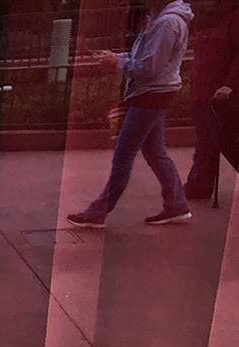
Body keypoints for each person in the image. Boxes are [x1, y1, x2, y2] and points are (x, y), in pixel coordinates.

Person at [67, 0, 194, 228]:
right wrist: (118, 58)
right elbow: (145, 58)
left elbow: (148, 68)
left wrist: (117, 62)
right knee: (155, 153)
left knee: (124, 154)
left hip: (151, 94)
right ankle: (176, 205)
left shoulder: (167, 23)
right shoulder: (163, 19)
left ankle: (98, 213)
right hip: (156, 92)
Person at [184, 0, 239, 200]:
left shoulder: (234, 17)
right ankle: (199, 185)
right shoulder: (212, 17)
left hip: (223, 94)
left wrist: (230, 84)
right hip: (204, 91)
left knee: (227, 141)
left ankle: (198, 184)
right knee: (206, 141)